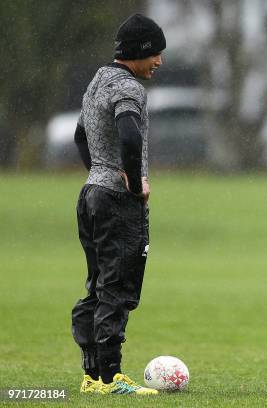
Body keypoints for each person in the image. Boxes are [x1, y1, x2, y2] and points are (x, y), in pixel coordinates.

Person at [71, 13, 165, 395]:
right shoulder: (128, 88)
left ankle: (93, 375)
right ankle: (112, 378)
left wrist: (100, 172)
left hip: (92, 194)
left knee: (96, 286)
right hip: (117, 201)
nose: (159, 61)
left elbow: (81, 135)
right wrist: (130, 177)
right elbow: (128, 134)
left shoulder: (97, 81)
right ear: (140, 52)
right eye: (155, 53)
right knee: (118, 287)